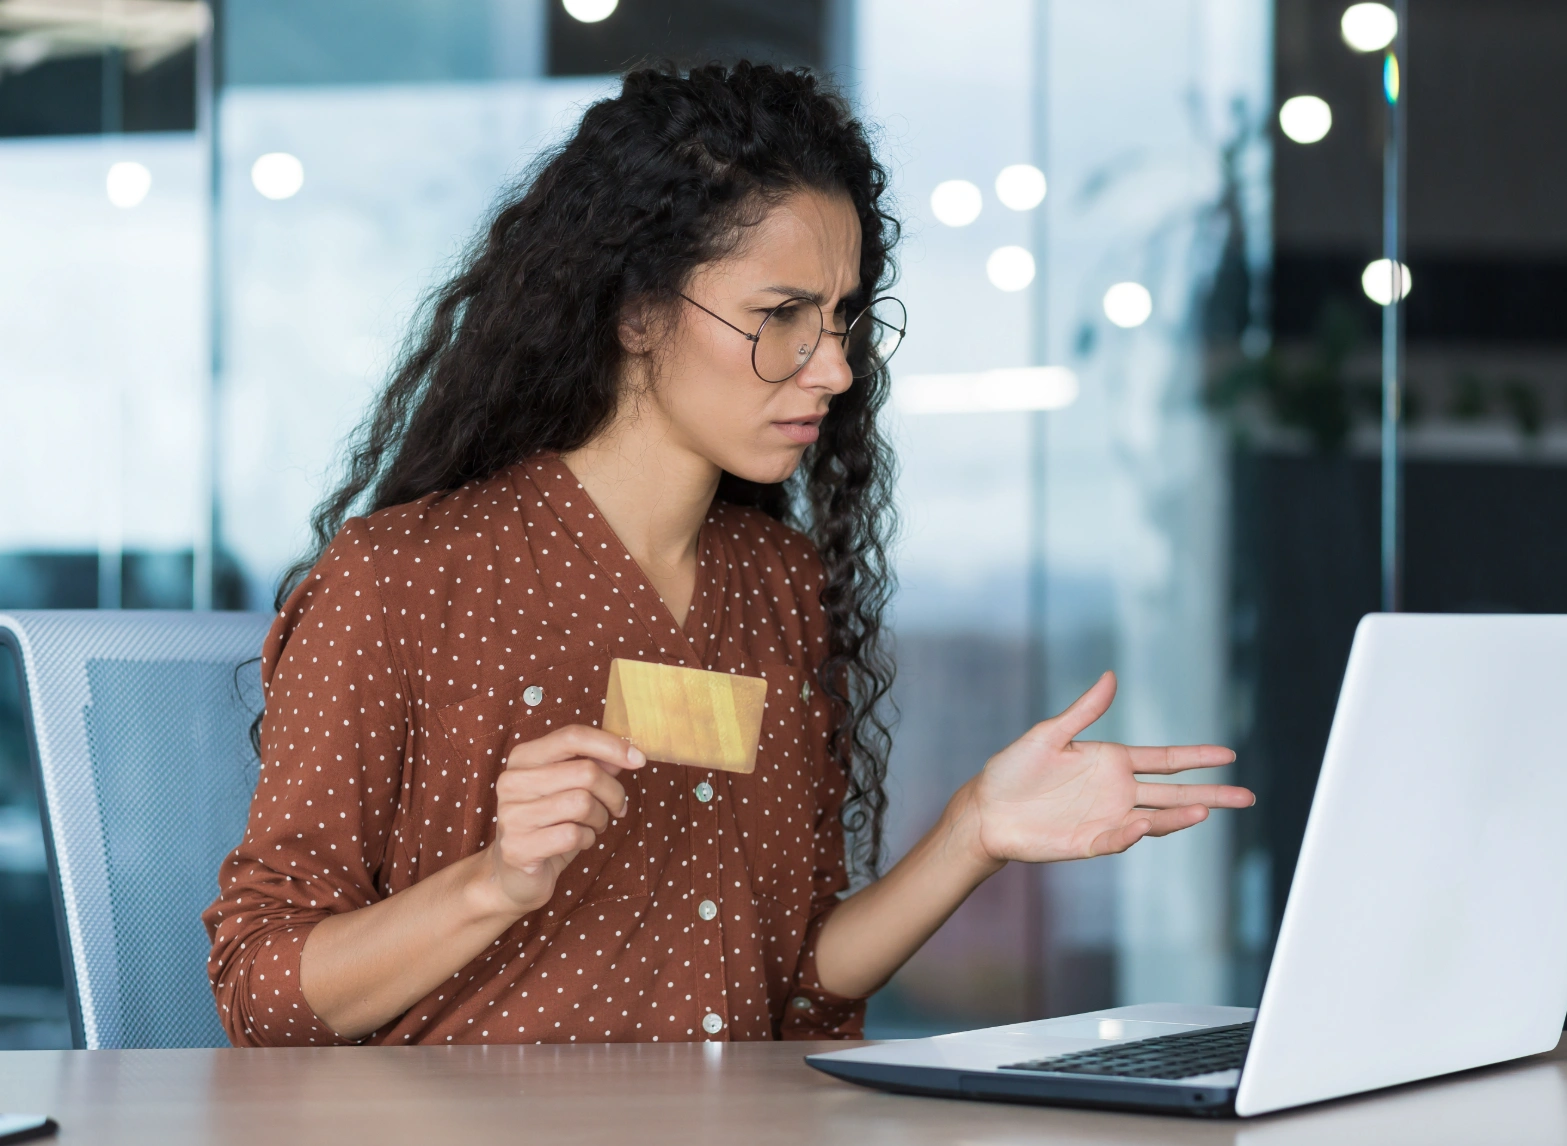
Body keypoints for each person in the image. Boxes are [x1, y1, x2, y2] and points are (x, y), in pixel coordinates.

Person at [202, 61, 1253, 1048]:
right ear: (636, 313)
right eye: (780, 316)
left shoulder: (777, 586)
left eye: (842, 320)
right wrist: (495, 881)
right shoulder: (399, 579)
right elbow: (260, 988)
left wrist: (975, 831)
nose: (832, 368)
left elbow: (792, 984)